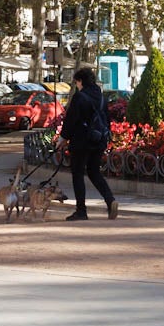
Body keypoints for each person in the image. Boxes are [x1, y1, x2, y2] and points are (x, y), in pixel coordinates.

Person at [56, 67, 118, 221]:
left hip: (81, 141)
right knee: (94, 171)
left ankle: (81, 211)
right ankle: (110, 201)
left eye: (76, 82)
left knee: (77, 173)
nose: (76, 85)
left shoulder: (80, 96)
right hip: (98, 140)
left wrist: (63, 138)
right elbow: (106, 118)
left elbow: (71, 119)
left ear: (80, 81)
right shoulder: (101, 97)